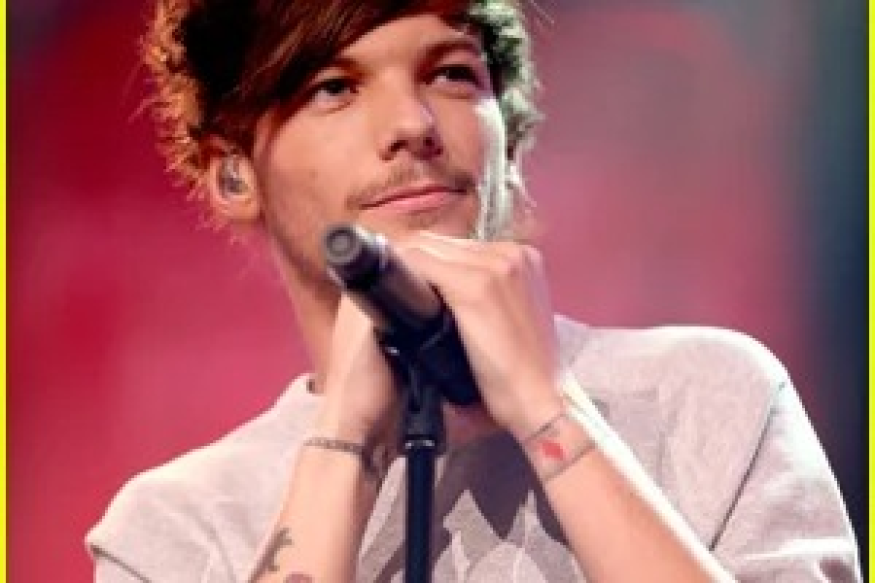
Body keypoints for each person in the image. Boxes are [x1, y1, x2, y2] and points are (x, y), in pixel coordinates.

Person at [87, 0, 861, 581]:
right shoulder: (174, 525)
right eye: (333, 87)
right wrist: (343, 444)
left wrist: (548, 408)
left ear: (509, 141)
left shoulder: (706, 396)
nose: (413, 123)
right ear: (233, 172)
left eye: (452, 74)